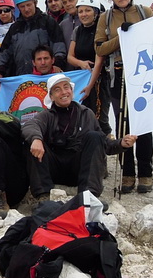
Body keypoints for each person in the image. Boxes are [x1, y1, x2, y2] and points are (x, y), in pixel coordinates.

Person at [95, 0, 153, 194]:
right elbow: (99, 48)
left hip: (143, 71)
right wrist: (121, 37)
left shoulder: (144, 12)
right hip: (118, 73)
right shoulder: (106, 18)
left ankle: (146, 174)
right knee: (123, 125)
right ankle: (128, 173)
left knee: (144, 123)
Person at [23, 74, 107, 203]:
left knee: (95, 137)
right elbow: (30, 125)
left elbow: (104, 144)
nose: (63, 92)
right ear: (51, 96)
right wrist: (36, 139)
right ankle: (43, 197)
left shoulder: (87, 114)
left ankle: (90, 196)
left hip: (77, 167)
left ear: (72, 91)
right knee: (32, 141)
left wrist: (122, 143)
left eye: (66, 87)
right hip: (54, 168)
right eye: (57, 89)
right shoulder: (46, 115)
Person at [0, 0, 67, 79]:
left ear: (35, 3)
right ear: (18, 8)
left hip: (46, 76)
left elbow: (58, 45)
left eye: (29, 5)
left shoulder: (47, 22)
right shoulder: (14, 28)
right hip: (21, 77)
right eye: (22, 6)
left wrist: (58, 64)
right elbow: (5, 53)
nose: (26, 9)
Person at [67, 0, 111, 135]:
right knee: (82, 117)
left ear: (96, 12)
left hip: (99, 79)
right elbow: (70, 57)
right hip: (81, 78)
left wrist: (90, 85)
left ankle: (105, 148)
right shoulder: (77, 31)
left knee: (99, 117)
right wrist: (81, 63)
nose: (84, 14)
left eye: (88, 11)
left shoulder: (101, 30)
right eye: (80, 11)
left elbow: (100, 59)